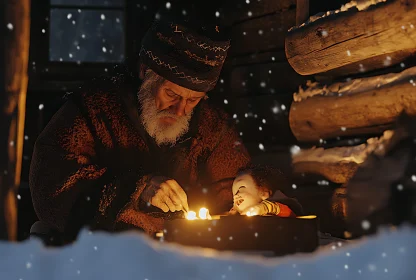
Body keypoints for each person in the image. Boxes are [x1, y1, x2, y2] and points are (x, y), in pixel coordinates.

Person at [29, 7, 250, 243]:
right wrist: (137, 189)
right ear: (146, 72)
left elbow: (234, 185)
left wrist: (253, 195)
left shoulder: (212, 125)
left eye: (193, 100)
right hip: (101, 254)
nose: (181, 110)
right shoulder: (93, 108)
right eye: (172, 94)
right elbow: (51, 189)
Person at [229, 165, 303, 217]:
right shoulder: (240, 217)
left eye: (241, 188)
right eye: (234, 193)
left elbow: (291, 215)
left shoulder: (277, 206)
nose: (236, 195)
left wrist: (267, 208)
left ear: (264, 192)